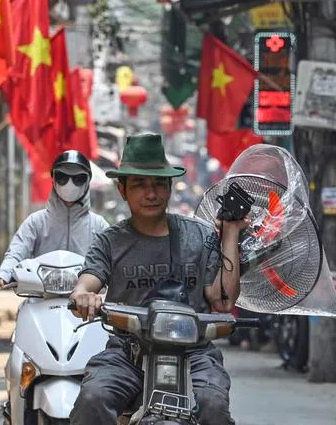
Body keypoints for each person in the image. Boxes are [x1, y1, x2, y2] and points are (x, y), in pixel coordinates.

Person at [69, 133, 244, 425]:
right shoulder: (110, 241)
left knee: (213, 406)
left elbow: (222, 301)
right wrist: (83, 296)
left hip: (194, 353)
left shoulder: (198, 235)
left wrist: (231, 232)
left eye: (158, 184)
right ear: (122, 190)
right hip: (128, 353)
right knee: (92, 399)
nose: (151, 194)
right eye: (139, 185)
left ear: (169, 187)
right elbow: (86, 283)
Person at [0, 150, 110, 287]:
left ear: (88, 181)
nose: (69, 184)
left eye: (78, 179)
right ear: (53, 180)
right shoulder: (36, 222)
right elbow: (17, 251)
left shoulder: (99, 225)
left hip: (86, 301)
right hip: (40, 297)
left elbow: (112, 259)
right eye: (62, 177)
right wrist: (4, 274)